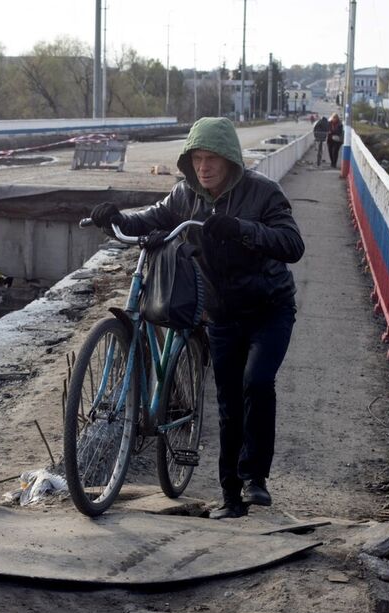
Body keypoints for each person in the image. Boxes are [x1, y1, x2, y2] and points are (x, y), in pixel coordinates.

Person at [88, 117, 305, 519]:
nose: (204, 168)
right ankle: (231, 498)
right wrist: (115, 217)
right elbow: (150, 219)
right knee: (227, 403)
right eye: (197, 159)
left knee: (255, 383)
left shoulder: (263, 193)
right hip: (222, 315)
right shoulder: (185, 197)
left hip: (268, 309)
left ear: (230, 162)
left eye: (212, 160)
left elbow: (293, 244)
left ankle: (255, 478)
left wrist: (240, 229)